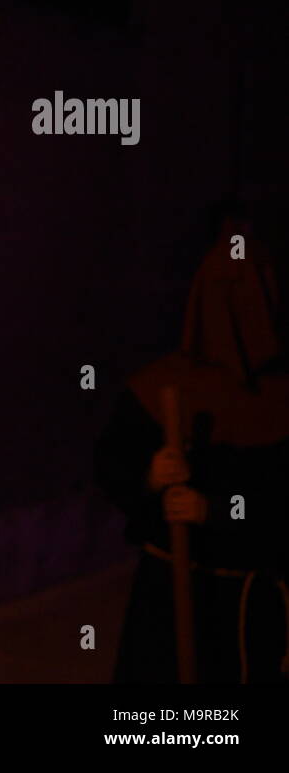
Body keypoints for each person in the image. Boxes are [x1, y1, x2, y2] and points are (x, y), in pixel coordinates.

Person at [94, 236, 289, 683]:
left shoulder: (283, 399)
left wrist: (216, 511)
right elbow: (111, 466)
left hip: (250, 597)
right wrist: (150, 476)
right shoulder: (158, 387)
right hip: (169, 589)